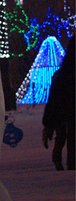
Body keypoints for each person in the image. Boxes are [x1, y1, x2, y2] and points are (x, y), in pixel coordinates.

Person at [42, 34, 75, 171]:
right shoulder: (63, 75)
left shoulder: (62, 74)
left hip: (64, 114)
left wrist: (49, 123)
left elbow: (54, 99)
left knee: (64, 136)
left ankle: (60, 160)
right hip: (67, 114)